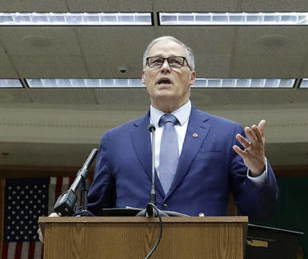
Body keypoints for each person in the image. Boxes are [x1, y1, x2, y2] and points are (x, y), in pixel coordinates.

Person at [87, 35, 278, 219]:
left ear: (192, 77)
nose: (164, 68)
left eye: (176, 62)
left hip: (202, 249)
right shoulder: (115, 141)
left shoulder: (226, 134)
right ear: (144, 77)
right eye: (155, 62)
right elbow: (95, 213)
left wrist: (258, 171)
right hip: (135, 249)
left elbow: (259, 210)